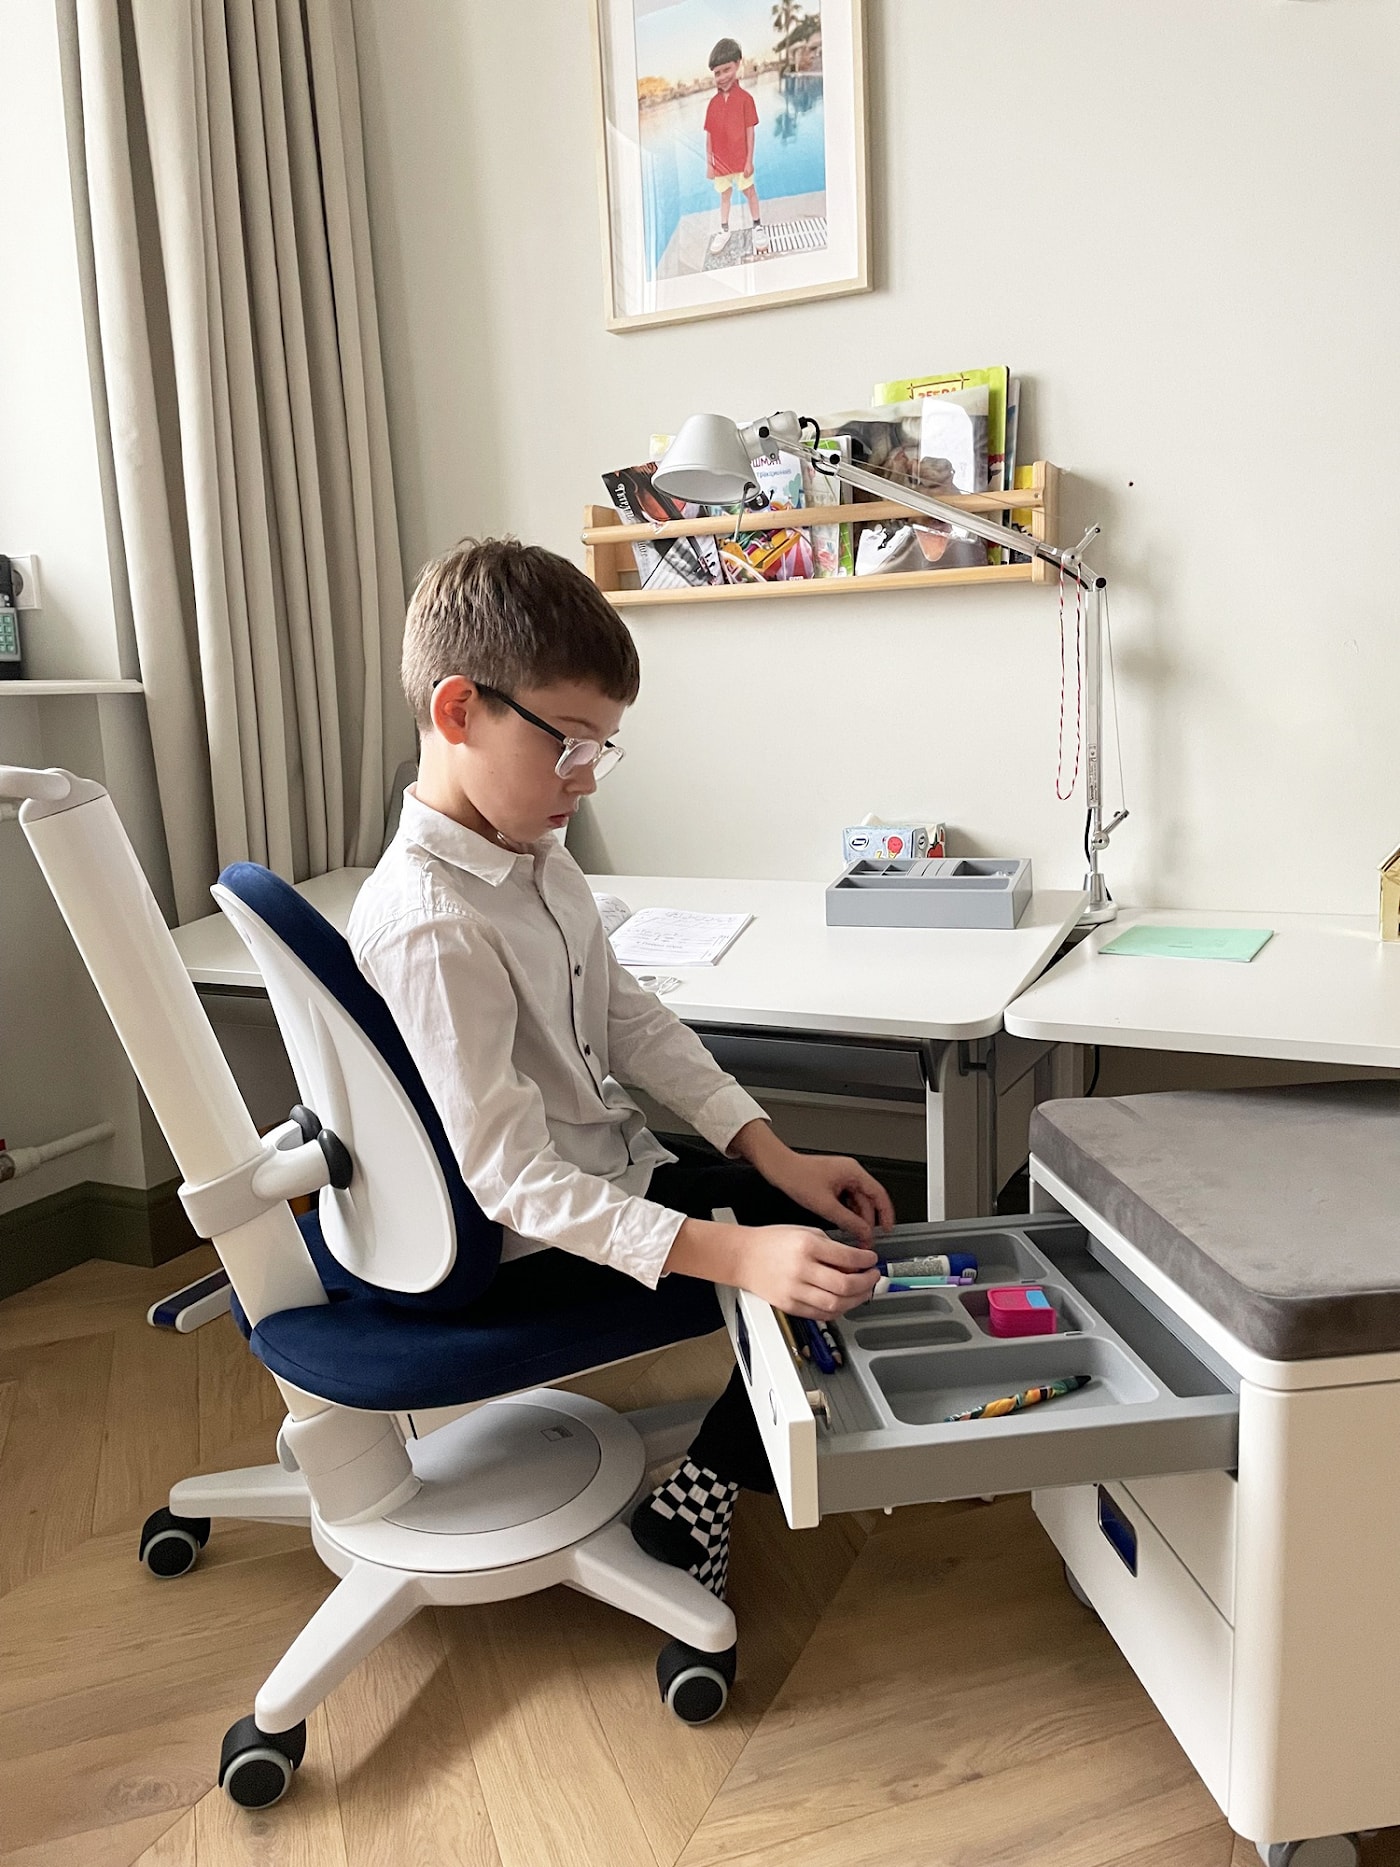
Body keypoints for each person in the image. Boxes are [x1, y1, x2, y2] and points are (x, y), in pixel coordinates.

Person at [347, 539, 891, 1599]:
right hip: (526, 1239)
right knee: (817, 1262)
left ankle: (742, 1455)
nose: (586, 775)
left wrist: (770, 1152)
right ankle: (696, 1509)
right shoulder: (433, 922)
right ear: (459, 711)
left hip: (603, 1175)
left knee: (834, 1221)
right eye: (566, 743)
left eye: (601, 746)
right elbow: (514, 1183)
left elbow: (631, 1019)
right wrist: (736, 1254)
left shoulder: (536, 858)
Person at [703, 37, 766, 259]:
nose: (722, 77)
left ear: (738, 64)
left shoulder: (746, 99)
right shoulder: (712, 105)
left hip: (740, 160)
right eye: (717, 73)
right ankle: (724, 230)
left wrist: (749, 160)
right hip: (721, 163)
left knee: (750, 192)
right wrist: (710, 164)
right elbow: (709, 137)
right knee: (725, 196)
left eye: (726, 70)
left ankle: (757, 226)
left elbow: (750, 132)